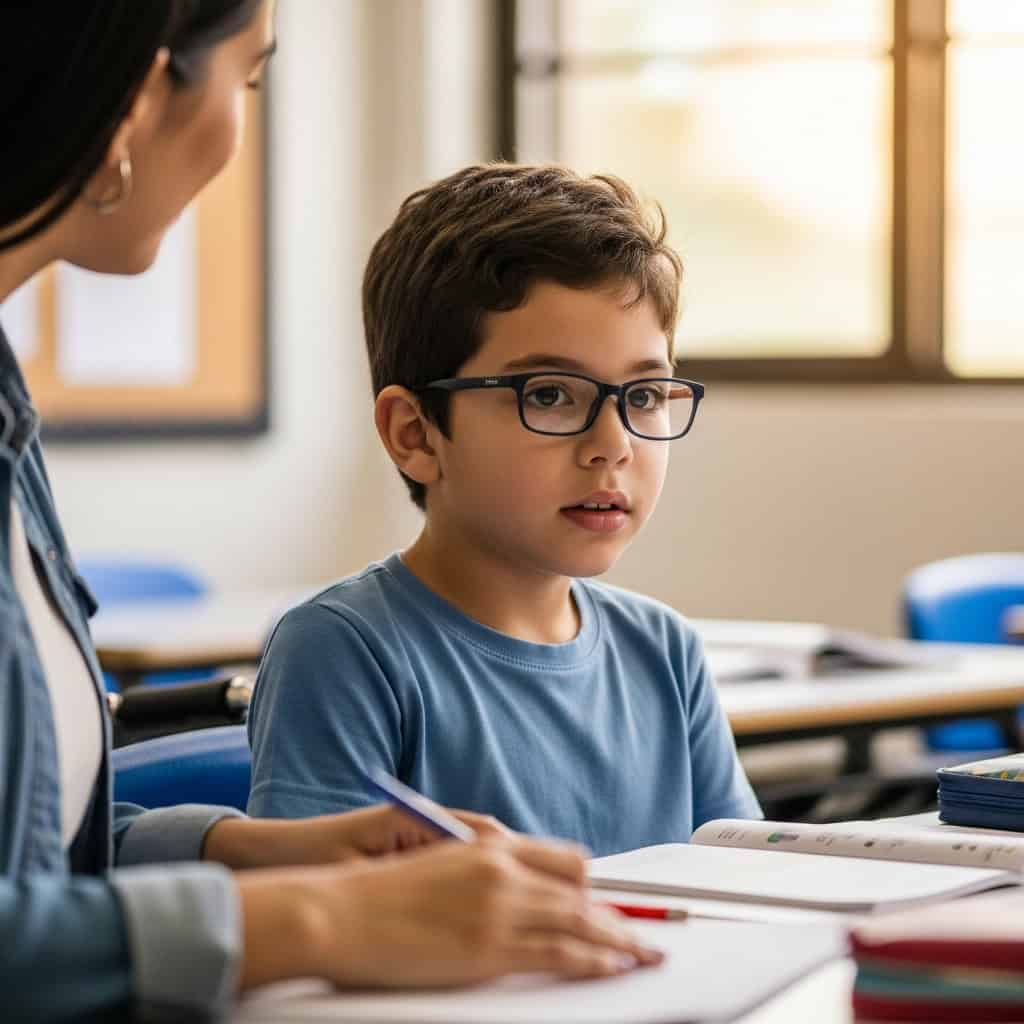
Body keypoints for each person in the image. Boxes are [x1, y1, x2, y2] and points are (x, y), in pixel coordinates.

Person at [0, 6, 660, 1021]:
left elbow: (39, 861)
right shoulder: (347, 645)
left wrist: (246, 851)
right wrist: (307, 917)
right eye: (248, 81)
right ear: (140, 96)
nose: (611, 439)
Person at [247, 163, 762, 857]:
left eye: (643, 397)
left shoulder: (665, 650)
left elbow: (747, 879)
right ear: (416, 434)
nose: (612, 446)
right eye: (549, 395)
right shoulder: (344, 651)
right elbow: (316, 908)